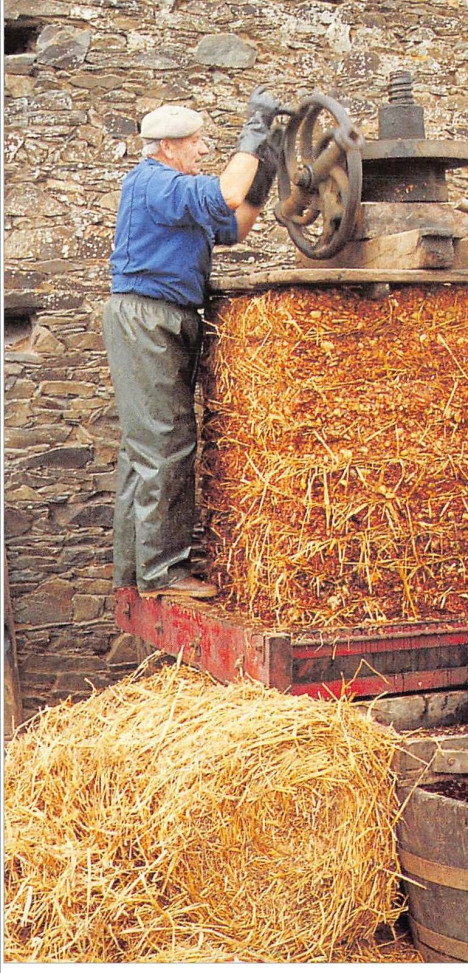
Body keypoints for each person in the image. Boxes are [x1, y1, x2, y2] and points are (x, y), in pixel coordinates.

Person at [103, 88, 282, 599]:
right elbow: (225, 193)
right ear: (168, 146)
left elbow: (235, 227)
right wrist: (253, 132)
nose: (203, 150)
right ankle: (162, 573)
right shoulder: (153, 182)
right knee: (166, 443)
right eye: (197, 143)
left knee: (146, 448)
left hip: (167, 316)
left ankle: (135, 572)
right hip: (147, 318)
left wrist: (263, 172)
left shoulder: (175, 192)